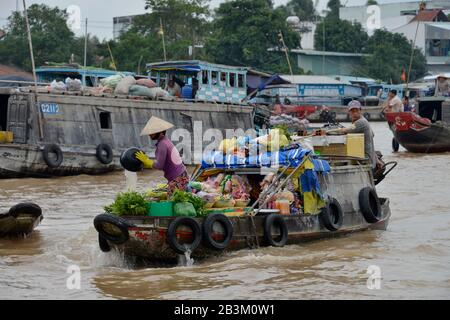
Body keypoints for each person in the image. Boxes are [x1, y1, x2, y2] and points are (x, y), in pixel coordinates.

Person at [135, 116, 188, 196]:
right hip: (181, 175)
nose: (149, 134)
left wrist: (147, 161)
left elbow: (159, 165)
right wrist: (147, 163)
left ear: (159, 132)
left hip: (178, 178)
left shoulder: (162, 144)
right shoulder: (165, 141)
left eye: (152, 132)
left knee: (172, 202)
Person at [338, 100, 379, 170]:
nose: (355, 113)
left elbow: (343, 131)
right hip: (370, 160)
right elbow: (372, 135)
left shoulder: (361, 122)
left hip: (366, 161)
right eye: (352, 111)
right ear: (349, 112)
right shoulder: (365, 120)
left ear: (360, 110)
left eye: (356, 110)